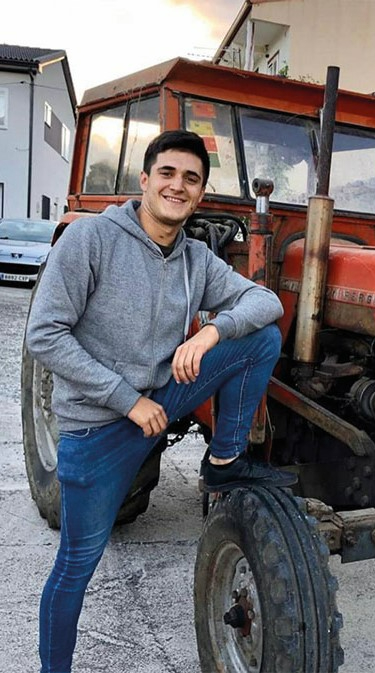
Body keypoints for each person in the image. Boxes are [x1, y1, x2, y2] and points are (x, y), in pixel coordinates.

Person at [26, 129, 296, 673]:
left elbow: (263, 301)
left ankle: (223, 461)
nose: (178, 186)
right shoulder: (91, 241)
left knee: (259, 338)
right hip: (98, 427)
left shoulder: (196, 258)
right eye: (168, 174)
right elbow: (45, 336)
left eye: (191, 179)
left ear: (200, 195)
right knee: (76, 564)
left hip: (161, 399)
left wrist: (211, 331)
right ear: (145, 180)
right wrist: (127, 401)